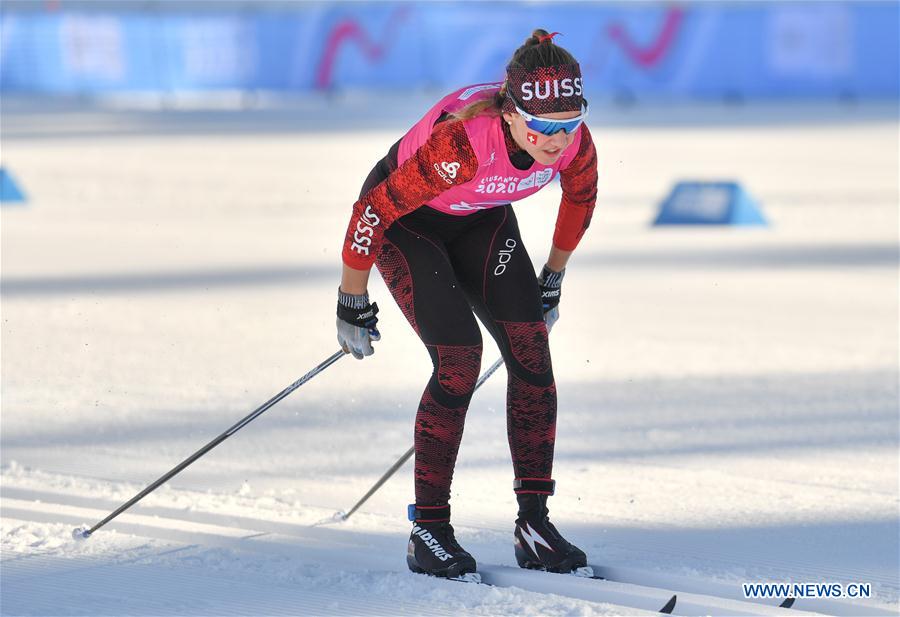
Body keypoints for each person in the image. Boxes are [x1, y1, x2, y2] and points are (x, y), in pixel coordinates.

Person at [335, 29, 598, 580]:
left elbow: (580, 197)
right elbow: (371, 213)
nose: (558, 140)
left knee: (533, 352)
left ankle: (534, 524)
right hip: (409, 227)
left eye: (570, 123)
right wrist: (351, 297)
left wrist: (553, 275)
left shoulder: (574, 142)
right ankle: (428, 530)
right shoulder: (459, 148)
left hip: (482, 218)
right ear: (511, 114)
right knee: (459, 362)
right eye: (544, 127)